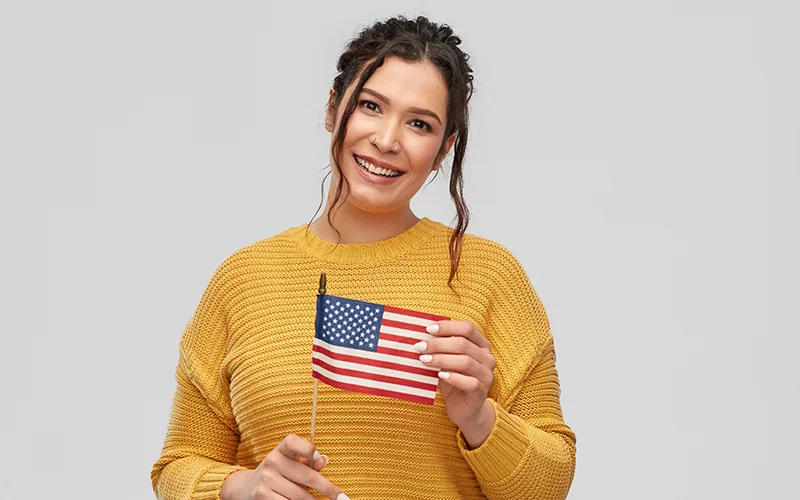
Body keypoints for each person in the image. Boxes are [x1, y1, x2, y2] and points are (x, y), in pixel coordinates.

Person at [151, 15, 576, 500]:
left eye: (420, 123)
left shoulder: (489, 275)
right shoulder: (243, 279)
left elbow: (551, 484)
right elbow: (175, 467)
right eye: (371, 106)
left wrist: (480, 418)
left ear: (443, 150)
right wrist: (239, 487)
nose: (388, 140)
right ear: (333, 109)